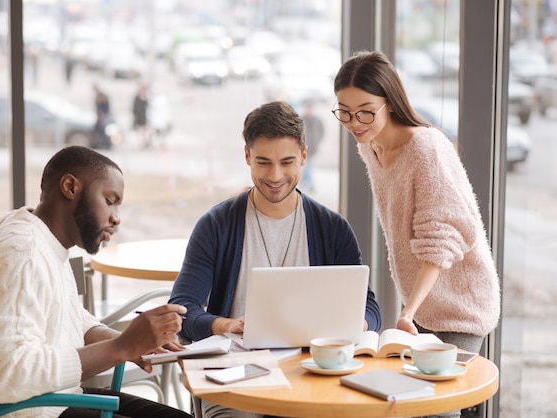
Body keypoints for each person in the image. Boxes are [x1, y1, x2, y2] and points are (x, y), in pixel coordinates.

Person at [0, 146, 191, 418]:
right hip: (14, 411)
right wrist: (120, 347)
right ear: (70, 186)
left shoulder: (40, 237)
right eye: (109, 200)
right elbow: (8, 375)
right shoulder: (22, 252)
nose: (116, 217)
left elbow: (64, 313)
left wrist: (128, 342)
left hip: (47, 399)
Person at [169, 101, 381, 418]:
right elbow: (183, 310)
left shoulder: (332, 228)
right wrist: (229, 325)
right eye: (263, 162)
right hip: (236, 373)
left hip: (313, 372)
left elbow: (371, 310)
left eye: (287, 162)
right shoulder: (216, 225)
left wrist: (347, 325)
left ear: (304, 157)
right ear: (247, 157)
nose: (275, 175)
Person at [333, 51, 500, 417]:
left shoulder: (425, 147)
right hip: (423, 305)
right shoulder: (370, 145)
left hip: (460, 305)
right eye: (344, 111)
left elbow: (440, 241)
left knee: (438, 407)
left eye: (365, 111)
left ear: (389, 103)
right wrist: (413, 311)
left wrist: (408, 310)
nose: (354, 122)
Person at [300, 101, 324, 191]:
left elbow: (322, 131)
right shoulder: (302, 119)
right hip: (304, 146)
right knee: (307, 165)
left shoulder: (317, 120)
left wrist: (318, 141)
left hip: (313, 147)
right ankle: (310, 184)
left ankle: (304, 182)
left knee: (308, 165)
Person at [92, 83, 112, 149]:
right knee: (99, 130)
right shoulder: (99, 96)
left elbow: (104, 108)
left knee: (101, 130)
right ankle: (102, 143)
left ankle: (106, 144)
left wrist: (102, 113)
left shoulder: (101, 97)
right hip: (101, 116)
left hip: (102, 117)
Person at [132, 83, 151, 148]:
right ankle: (141, 143)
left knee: (147, 131)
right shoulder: (137, 97)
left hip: (147, 117)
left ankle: (146, 142)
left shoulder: (148, 97)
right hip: (139, 117)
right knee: (140, 131)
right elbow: (134, 108)